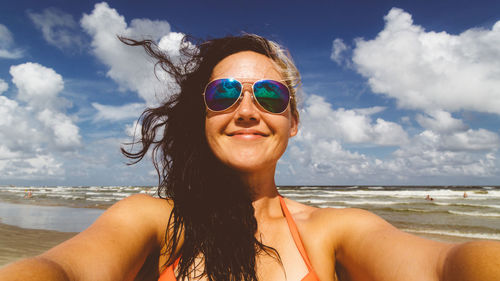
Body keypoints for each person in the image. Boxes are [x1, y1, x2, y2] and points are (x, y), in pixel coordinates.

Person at [1, 34, 499, 281]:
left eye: (268, 95)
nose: (246, 110)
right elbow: (60, 271)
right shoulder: (153, 220)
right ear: (203, 117)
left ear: (293, 120)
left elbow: (445, 266)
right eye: (222, 95)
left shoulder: (333, 231)